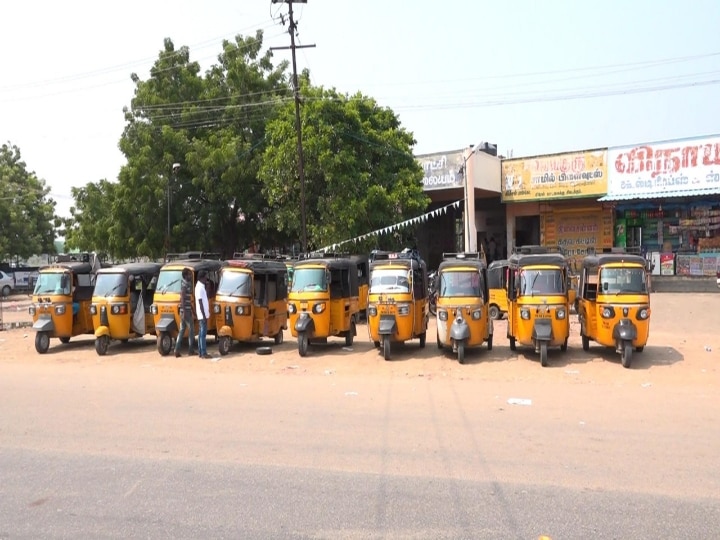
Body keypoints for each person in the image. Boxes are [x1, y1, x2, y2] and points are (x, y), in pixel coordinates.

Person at [174, 269, 195, 358]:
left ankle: (177, 350)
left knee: (182, 330)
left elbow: (187, 300)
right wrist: (186, 312)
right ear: (185, 275)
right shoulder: (184, 285)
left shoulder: (186, 285)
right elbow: (182, 298)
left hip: (185, 311)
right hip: (185, 312)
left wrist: (192, 310)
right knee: (191, 331)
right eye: (189, 275)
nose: (190, 276)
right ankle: (190, 350)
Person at [195, 269, 212, 359]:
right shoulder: (199, 288)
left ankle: (201, 352)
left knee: (201, 334)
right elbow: (200, 302)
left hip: (203, 314)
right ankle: (203, 353)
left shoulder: (201, 286)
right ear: (202, 277)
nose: (206, 278)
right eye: (205, 277)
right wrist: (204, 315)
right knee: (203, 334)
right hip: (202, 315)